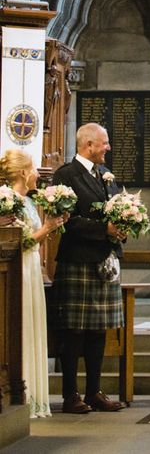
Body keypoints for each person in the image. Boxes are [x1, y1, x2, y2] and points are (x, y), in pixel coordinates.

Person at [51, 122, 126, 414]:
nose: (108, 147)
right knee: (74, 331)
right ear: (89, 145)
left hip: (105, 261)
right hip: (78, 260)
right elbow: (65, 220)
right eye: (104, 143)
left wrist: (122, 229)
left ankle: (94, 391)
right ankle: (71, 395)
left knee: (98, 331)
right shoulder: (66, 175)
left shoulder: (106, 176)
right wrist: (103, 229)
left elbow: (121, 208)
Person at [0, 150, 66, 418]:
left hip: (31, 268)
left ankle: (35, 397)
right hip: (19, 269)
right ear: (24, 173)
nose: (38, 173)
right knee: (22, 327)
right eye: (34, 169)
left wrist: (51, 226)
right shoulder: (8, 200)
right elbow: (19, 241)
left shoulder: (26, 201)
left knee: (33, 324)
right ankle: (20, 391)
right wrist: (48, 228)